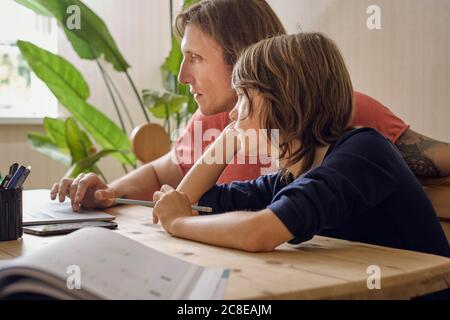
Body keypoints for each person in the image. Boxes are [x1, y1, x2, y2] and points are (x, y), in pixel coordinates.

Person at [50, 0, 450, 212]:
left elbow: (436, 159)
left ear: (243, 56)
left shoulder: (338, 112)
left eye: (195, 58)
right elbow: (161, 174)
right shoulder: (211, 124)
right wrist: (107, 194)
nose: (182, 77)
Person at [151, 32, 450, 260]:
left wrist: (177, 222)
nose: (232, 113)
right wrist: (231, 134)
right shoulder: (291, 176)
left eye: (243, 97)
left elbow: (258, 233)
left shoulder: (363, 153)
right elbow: (193, 201)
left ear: (282, 100)